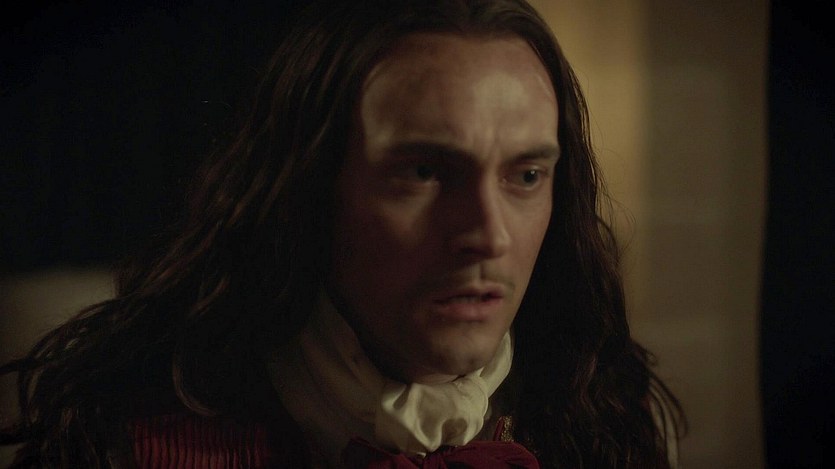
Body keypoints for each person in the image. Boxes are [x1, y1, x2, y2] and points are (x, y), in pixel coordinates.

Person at [0, 0, 684, 467]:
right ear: (310, 188)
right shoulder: (135, 441)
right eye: (423, 172)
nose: (487, 233)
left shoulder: (606, 426)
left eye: (526, 175)